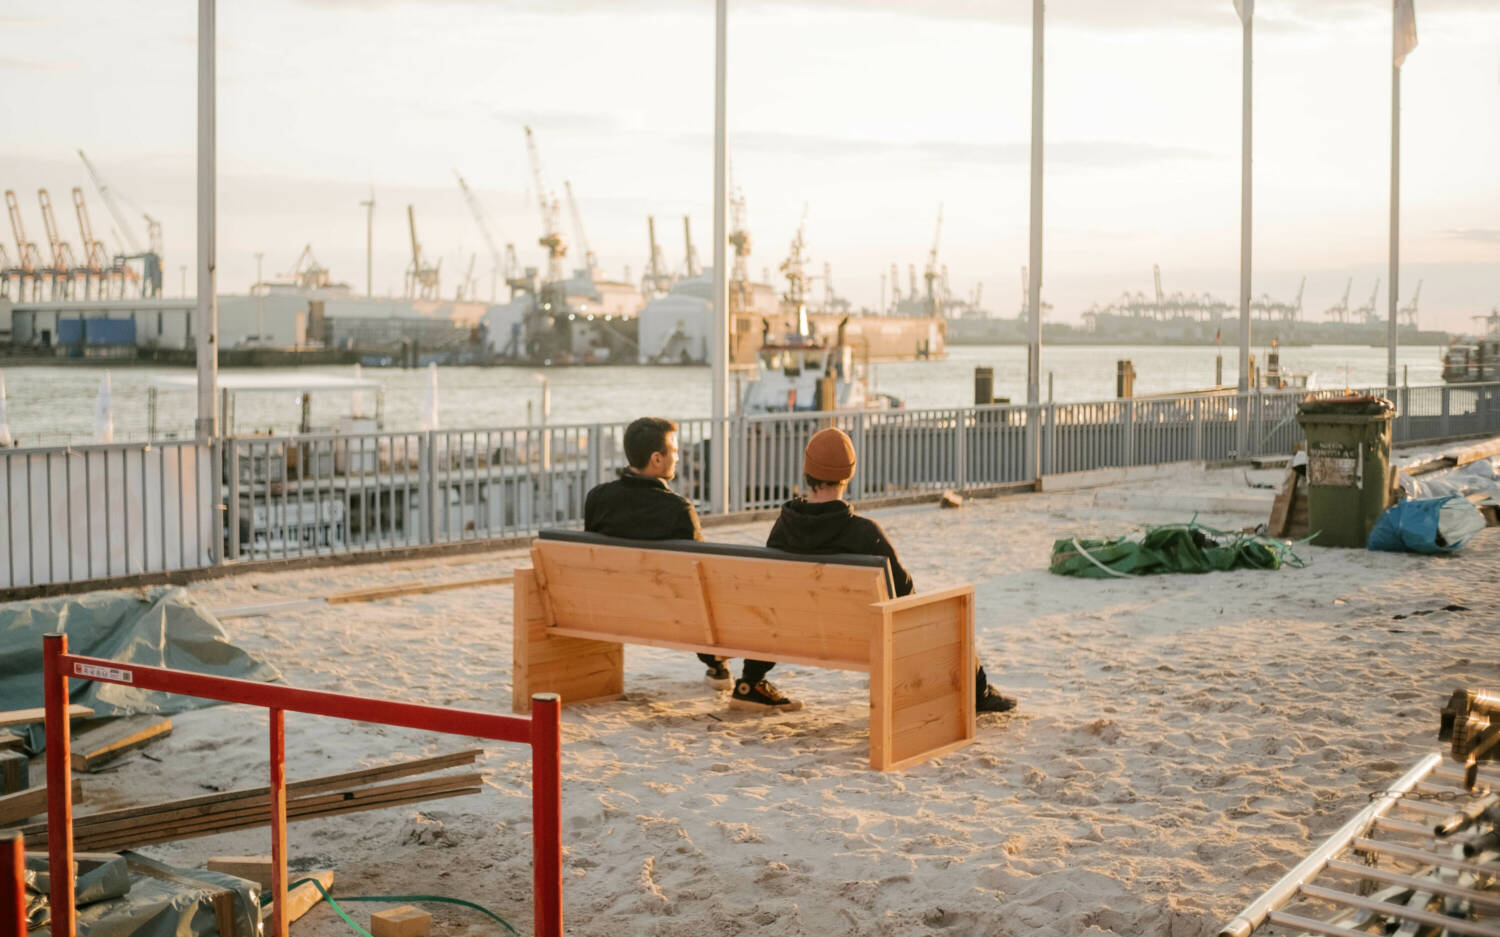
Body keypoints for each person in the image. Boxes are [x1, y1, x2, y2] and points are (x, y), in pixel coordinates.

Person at [755, 426, 1018, 714]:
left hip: (791, 633)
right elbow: (904, 592)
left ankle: (750, 681)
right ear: (848, 475)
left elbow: (772, 594)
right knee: (952, 614)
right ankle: (978, 694)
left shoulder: (783, 527)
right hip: (867, 640)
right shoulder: (864, 533)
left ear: (807, 473)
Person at [583, 416, 733, 690]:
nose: (677, 457)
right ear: (656, 459)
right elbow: (702, 574)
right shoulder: (678, 509)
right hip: (668, 614)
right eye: (673, 451)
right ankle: (717, 665)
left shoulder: (597, 499)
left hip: (608, 608)